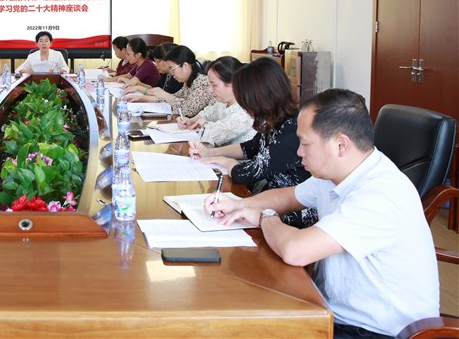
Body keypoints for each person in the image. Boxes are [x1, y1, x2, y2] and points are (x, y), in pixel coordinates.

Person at [206, 89, 439, 338]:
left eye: (306, 144)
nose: (299, 152)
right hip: (331, 310)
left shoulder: (380, 194)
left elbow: (295, 251)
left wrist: (265, 217)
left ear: (340, 144)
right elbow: (289, 197)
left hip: (374, 331)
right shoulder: (339, 171)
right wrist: (240, 205)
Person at [190, 57, 315, 228]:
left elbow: (245, 174)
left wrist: (226, 161)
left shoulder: (292, 131)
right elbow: (249, 148)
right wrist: (210, 153)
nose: (242, 105)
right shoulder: (273, 120)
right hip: (271, 202)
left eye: (244, 100)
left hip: (293, 214)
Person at [176, 56, 255, 146]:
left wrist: (204, 124)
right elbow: (207, 114)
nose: (210, 90)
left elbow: (213, 135)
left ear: (233, 83)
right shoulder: (223, 103)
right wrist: (190, 121)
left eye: (214, 85)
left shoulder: (246, 111)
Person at [125, 45, 211, 117]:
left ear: (185, 66)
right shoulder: (188, 82)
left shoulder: (202, 83)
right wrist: (141, 98)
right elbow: (172, 98)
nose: (172, 73)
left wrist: (165, 95)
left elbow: (187, 110)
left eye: (172, 69)